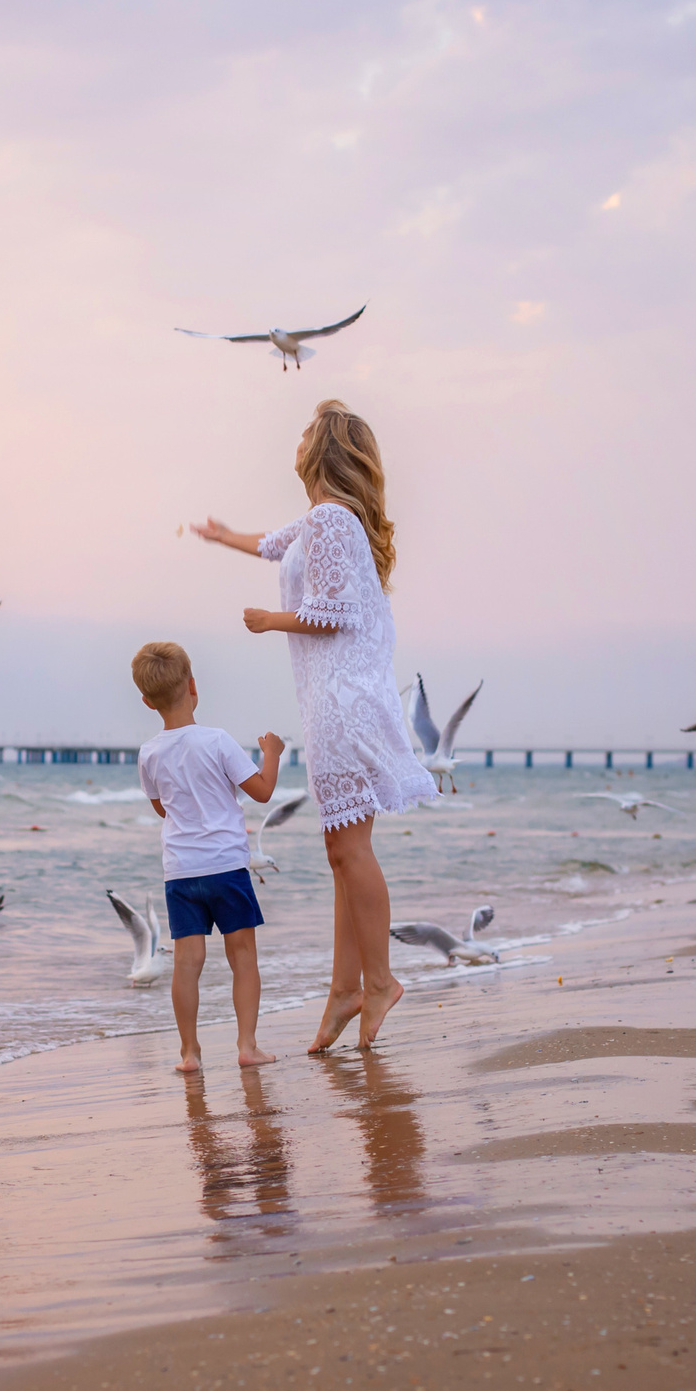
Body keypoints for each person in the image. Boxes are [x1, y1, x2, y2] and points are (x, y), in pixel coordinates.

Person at [193, 400, 433, 1053]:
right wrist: (224, 536)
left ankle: (378, 981)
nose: (294, 439)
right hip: (338, 697)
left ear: (322, 448)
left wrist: (273, 620)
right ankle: (344, 989)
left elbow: (333, 612)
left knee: (349, 851)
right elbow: (273, 544)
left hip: (343, 700)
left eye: (305, 432)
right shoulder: (326, 520)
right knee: (340, 852)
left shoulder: (331, 520)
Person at [131, 641, 284, 1074]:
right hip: (227, 867)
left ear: (146, 701)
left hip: (180, 872)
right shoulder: (217, 740)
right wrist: (270, 754)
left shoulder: (149, 753)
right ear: (193, 685)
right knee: (242, 956)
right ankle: (247, 1045)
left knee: (186, 963)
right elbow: (262, 792)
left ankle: (189, 1053)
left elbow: (161, 806)